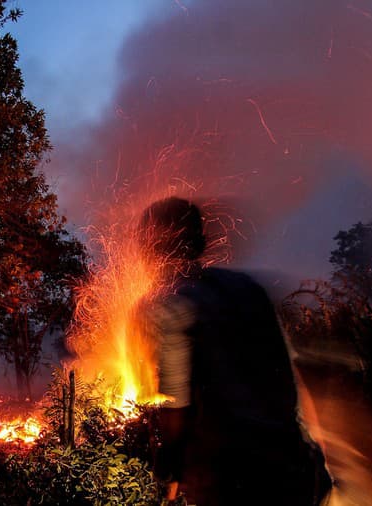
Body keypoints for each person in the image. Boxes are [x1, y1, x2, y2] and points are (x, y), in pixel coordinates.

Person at [138, 197, 329, 505]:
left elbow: (177, 404)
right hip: (291, 464)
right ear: (201, 240)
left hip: (229, 476)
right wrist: (314, 451)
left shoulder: (174, 303)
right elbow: (291, 376)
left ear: (152, 246)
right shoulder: (249, 288)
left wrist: (168, 465)